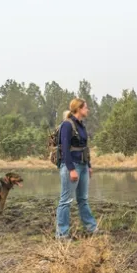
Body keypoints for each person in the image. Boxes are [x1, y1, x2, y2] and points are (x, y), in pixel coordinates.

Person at [55, 98, 100, 239]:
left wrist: (89, 165)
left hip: (83, 165)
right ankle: (62, 234)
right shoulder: (67, 125)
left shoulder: (81, 125)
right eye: (86, 107)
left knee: (83, 199)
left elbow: (84, 147)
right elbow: (65, 149)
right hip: (71, 166)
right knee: (66, 201)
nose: (88, 110)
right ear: (79, 109)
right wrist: (71, 169)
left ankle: (91, 229)